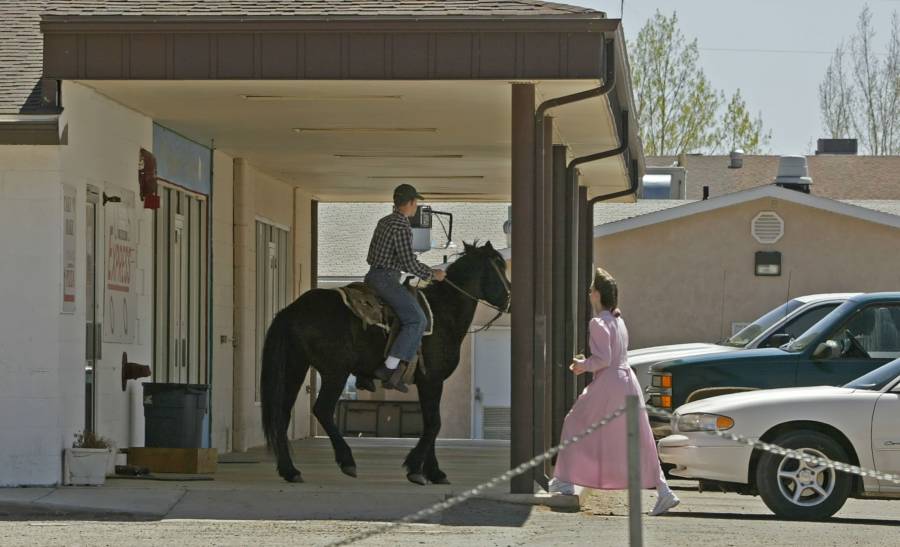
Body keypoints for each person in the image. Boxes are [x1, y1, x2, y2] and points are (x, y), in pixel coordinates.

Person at [549, 268, 680, 517]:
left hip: (609, 383)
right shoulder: (618, 321)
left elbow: (603, 359)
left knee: (575, 422)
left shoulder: (598, 322)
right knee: (640, 437)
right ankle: (664, 491)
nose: (589, 294)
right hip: (627, 381)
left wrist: (581, 366)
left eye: (590, 290)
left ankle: (564, 480)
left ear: (597, 294)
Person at [365, 184, 446, 393]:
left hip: (373, 275)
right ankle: (389, 368)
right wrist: (432, 274)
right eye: (415, 202)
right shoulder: (401, 225)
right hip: (386, 280)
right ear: (410, 203)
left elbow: (373, 256)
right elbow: (409, 263)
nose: (416, 206)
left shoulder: (384, 221)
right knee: (417, 319)